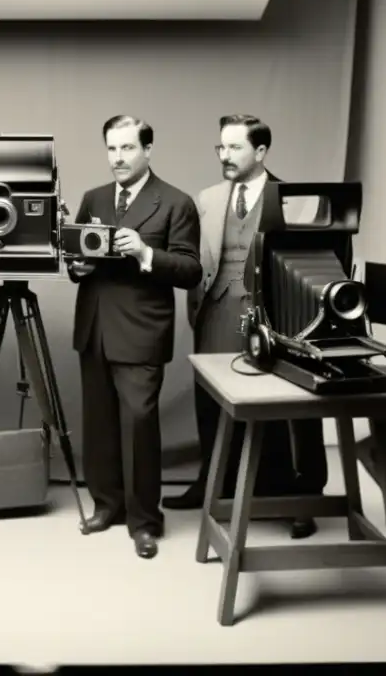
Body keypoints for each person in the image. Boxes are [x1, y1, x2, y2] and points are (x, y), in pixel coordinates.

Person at [165, 114, 328, 540]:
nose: (226, 156)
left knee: (287, 406)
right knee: (211, 403)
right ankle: (211, 483)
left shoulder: (293, 198)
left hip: (272, 319)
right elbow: (199, 259)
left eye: (235, 147)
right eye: (221, 147)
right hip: (216, 313)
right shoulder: (209, 198)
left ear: (260, 152)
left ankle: (301, 498)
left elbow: (311, 266)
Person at [68, 115, 202, 559]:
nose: (117, 158)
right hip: (95, 328)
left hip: (142, 333)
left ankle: (145, 520)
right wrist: (78, 267)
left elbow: (190, 270)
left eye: (126, 148)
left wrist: (146, 253)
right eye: (111, 149)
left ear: (148, 149)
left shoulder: (175, 203)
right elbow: (76, 259)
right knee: (99, 425)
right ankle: (107, 506)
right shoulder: (94, 198)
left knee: (139, 427)